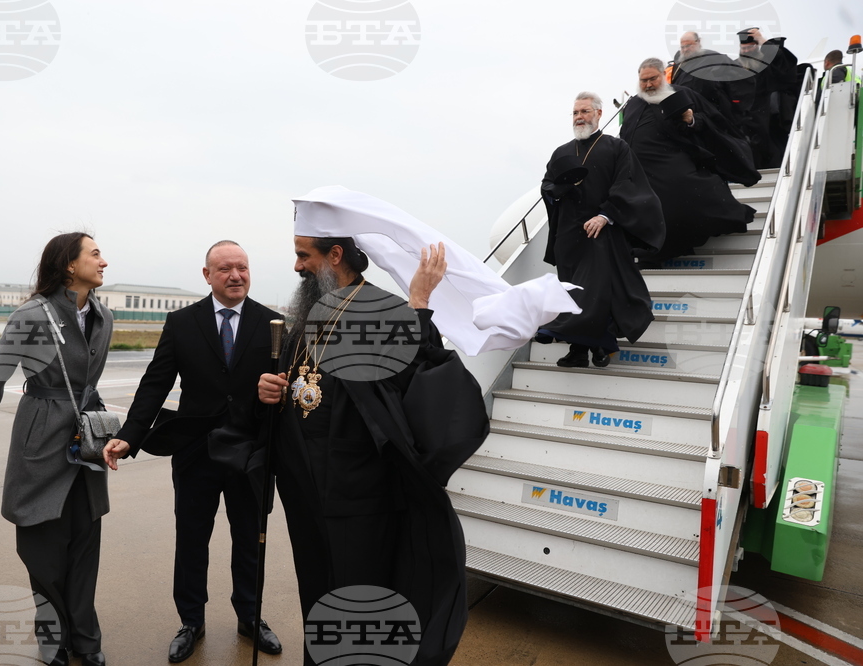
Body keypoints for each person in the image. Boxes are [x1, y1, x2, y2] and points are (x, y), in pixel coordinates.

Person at [257, 236, 489, 666]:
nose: (296, 266)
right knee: (316, 594)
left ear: (335, 255)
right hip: (306, 492)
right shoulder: (311, 311)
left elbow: (417, 382)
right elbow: (302, 381)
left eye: (303, 255)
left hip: (359, 498)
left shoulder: (382, 311)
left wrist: (418, 304)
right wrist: (272, 388)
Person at [102, 240, 283, 662]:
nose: (235, 275)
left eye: (242, 267)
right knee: (192, 539)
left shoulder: (274, 322)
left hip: (250, 455)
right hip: (195, 453)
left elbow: (286, 388)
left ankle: (251, 616)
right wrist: (130, 435)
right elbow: (155, 383)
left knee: (250, 540)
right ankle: (191, 621)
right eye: (225, 269)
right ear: (207, 275)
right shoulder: (182, 322)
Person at [0, 232, 114, 666]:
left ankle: (87, 640)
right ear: (68, 266)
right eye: (95, 254)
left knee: (85, 543)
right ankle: (53, 642)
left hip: (86, 442)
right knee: (41, 551)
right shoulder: (32, 314)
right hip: (41, 439)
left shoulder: (103, 315)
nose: (104, 262)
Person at [536, 91, 665, 368]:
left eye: (584, 112)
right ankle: (580, 352)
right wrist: (558, 189)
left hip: (601, 231)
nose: (579, 117)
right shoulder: (561, 152)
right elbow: (546, 186)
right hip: (569, 235)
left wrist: (605, 215)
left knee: (595, 292)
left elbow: (627, 186)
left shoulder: (616, 148)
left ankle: (597, 343)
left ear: (598, 114)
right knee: (572, 291)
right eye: (575, 113)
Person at [620, 58, 758, 267]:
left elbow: (712, 121)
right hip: (640, 173)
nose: (648, 84)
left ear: (663, 76)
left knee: (686, 200)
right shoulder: (633, 104)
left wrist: (691, 119)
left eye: (653, 79)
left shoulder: (680, 93)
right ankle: (654, 253)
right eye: (643, 80)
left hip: (672, 165)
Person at [734, 28, 799, 168]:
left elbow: (785, 66)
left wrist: (763, 41)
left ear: (757, 47)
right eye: (743, 48)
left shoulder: (767, 64)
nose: (746, 51)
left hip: (767, 121)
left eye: (750, 47)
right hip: (743, 122)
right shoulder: (734, 67)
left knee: (772, 155)